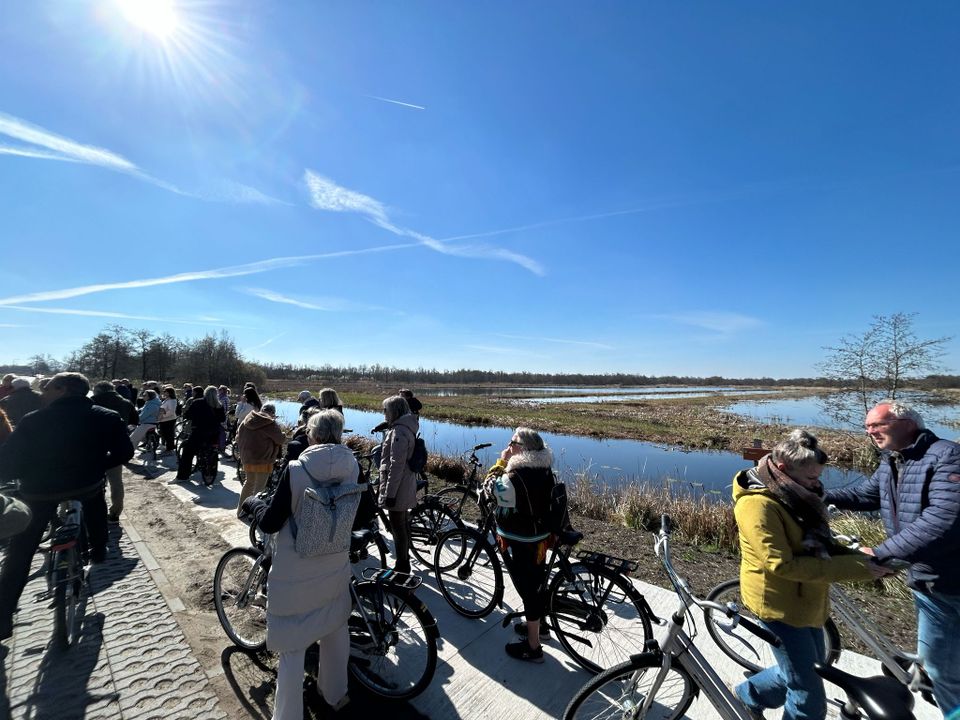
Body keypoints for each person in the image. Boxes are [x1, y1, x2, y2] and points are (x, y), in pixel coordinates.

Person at [733, 430, 891, 720]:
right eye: (810, 478)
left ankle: (748, 694)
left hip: (808, 601)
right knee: (808, 697)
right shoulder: (757, 505)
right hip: (778, 606)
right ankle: (751, 696)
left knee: (805, 669)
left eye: (819, 476)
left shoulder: (798, 495)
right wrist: (860, 568)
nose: (818, 484)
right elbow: (781, 565)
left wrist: (863, 558)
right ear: (782, 470)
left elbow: (822, 544)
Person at [825, 402, 960, 718]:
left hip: (951, 580)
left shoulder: (947, 456)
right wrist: (815, 493)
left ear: (908, 423)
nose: (870, 431)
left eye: (877, 424)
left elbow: (944, 519)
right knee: (938, 664)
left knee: (942, 671)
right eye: (867, 426)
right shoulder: (893, 461)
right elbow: (864, 495)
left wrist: (883, 552)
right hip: (929, 581)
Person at [240, 410, 357, 719]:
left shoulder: (296, 470)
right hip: (335, 566)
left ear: (312, 436)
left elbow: (271, 522)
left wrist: (255, 504)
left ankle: (288, 715)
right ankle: (335, 693)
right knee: (335, 630)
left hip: (297, 572)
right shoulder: (353, 465)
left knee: (293, 647)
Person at [0, 372, 134, 639]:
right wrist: (98, 465)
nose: (44, 392)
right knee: (95, 503)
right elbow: (124, 453)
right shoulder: (105, 416)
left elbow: (9, 459)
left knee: (20, 552)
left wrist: (16, 478)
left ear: (63, 389)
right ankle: (97, 550)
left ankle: (3, 615)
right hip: (85, 484)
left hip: (39, 492)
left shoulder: (34, 419)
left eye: (48, 387)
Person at [485, 427, 556, 663]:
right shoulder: (545, 469)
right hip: (541, 538)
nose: (509, 445)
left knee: (527, 590)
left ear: (521, 448)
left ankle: (533, 647)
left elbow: (489, 491)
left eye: (512, 442)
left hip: (521, 539)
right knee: (537, 584)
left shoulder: (514, 476)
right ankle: (540, 627)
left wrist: (500, 462)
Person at [377, 395, 419, 574]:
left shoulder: (399, 432)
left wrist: (390, 494)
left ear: (393, 411)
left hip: (398, 487)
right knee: (402, 525)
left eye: (385, 410)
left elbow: (397, 466)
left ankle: (402, 567)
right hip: (405, 483)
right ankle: (404, 560)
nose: (384, 414)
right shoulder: (406, 426)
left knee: (398, 527)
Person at [92, 380, 140, 521]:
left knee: (94, 481)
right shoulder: (125, 402)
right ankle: (115, 512)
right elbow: (135, 421)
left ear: (98, 391)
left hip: (94, 445)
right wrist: (125, 430)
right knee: (116, 481)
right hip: (116, 446)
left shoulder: (92, 401)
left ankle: (95, 510)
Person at [235, 402, 285, 514]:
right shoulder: (271, 424)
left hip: (247, 458)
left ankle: (240, 511)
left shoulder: (247, 420)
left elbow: (237, 437)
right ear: (272, 413)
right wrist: (283, 434)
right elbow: (280, 440)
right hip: (263, 460)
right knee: (260, 488)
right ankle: (254, 514)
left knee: (248, 483)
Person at [175, 385, 226, 486]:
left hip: (199, 432)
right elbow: (222, 419)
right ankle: (210, 470)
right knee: (212, 450)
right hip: (214, 433)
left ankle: (183, 476)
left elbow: (188, 415)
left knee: (187, 452)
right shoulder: (219, 405)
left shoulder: (198, 402)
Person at [157, 386, 179, 453]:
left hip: (169, 419)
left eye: (165, 391)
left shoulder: (172, 400)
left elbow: (171, 411)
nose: (164, 393)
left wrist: (163, 416)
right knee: (165, 434)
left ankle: (170, 448)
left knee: (168, 434)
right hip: (164, 419)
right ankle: (169, 446)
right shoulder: (167, 399)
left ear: (169, 393)